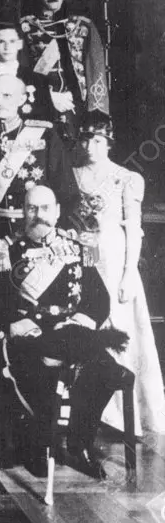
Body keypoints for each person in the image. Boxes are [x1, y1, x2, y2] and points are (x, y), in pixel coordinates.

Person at [0, 185, 132, 477]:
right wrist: (13, 324)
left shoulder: (77, 249)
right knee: (38, 373)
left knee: (105, 371)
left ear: (56, 212)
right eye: (31, 208)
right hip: (33, 337)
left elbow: (98, 298)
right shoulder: (8, 252)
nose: (38, 215)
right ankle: (39, 444)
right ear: (22, 213)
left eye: (44, 209)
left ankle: (79, 444)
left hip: (73, 332)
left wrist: (80, 319)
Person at [71, 115, 165, 434]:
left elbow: (134, 230)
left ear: (109, 142)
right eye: (85, 140)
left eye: (98, 140)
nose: (90, 146)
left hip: (115, 262)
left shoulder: (126, 178)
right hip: (82, 259)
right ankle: (91, 413)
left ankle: (126, 416)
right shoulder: (71, 176)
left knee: (121, 330)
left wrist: (128, 274)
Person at [0, 75, 76, 238]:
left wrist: (63, 228)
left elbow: (65, 188)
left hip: (35, 231)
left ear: (22, 99)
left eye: (7, 96)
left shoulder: (45, 135)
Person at [19, 0, 109, 143]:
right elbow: (22, 69)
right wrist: (46, 95)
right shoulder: (26, 27)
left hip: (74, 102)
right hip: (42, 101)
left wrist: (95, 111)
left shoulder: (83, 26)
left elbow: (96, 69)